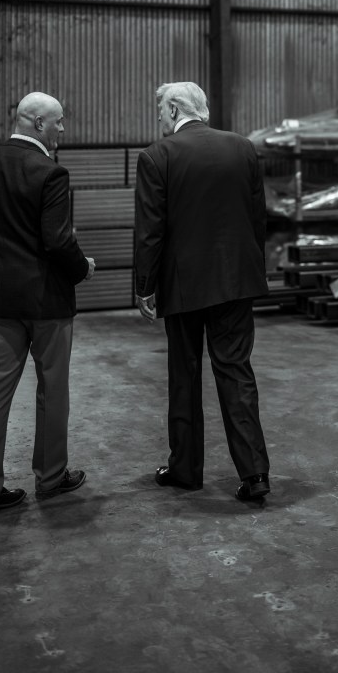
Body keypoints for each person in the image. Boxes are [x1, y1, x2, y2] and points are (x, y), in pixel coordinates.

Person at [134, 81, 271, 503]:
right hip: (235, 280)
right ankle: (254, 475)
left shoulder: (158, 157)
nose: (159, 119)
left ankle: (185, 470)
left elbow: (150, 232)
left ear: (174, 109)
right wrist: (250, 271)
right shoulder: (243, 148)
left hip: (184, 284)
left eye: (160, 110)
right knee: (236, 371)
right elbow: (256, 218)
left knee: (185, 375)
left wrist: (145, 286)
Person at [0, 92, 95, 519]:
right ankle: (51, 477)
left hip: (1, 301)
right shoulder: (50, 173)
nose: (62, 129)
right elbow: (57, 240)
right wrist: (83, 268)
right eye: (58, 122)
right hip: (47, 303)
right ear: (38, 124)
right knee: (52, 388)